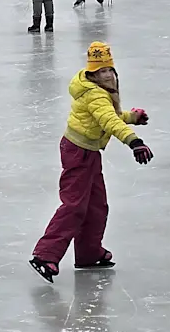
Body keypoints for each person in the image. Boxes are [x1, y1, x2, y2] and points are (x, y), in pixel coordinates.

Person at [29, 41, 152, 282]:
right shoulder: (95, 94)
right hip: (78, 152)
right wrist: (134, 141)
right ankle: (45, 255)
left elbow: (110, 116)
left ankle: (88, 253)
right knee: (74, 205)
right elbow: (109, 121)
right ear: (93, 74)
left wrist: (132, 117)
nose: (107, 75)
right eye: (101, 71)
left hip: (89, 152)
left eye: (109, 70)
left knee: (97, 206)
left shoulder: (99, 94)